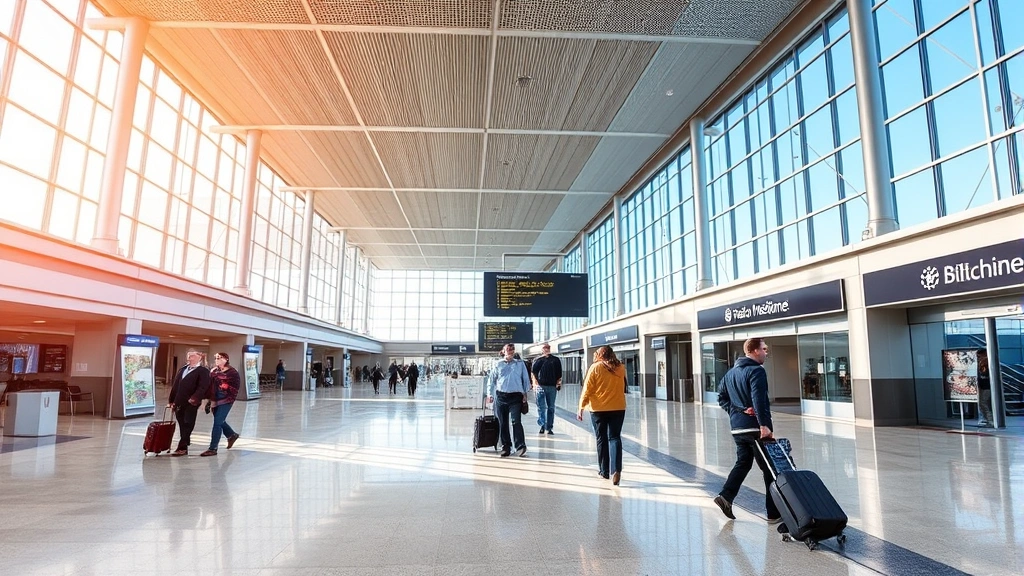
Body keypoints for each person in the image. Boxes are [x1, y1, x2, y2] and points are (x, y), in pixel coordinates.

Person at [713, 337, 781, 524]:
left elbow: (721, 399)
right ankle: (773, 513)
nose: (766, 352)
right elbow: (758, 398)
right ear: (753, 351)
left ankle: (726, 496)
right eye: (764, 349)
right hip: (755, 428)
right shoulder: (756, 371)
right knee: (770, 469)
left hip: (738, 428)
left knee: (743, 463)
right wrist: (764, 425)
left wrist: (738, 411)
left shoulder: (730, 374)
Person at [577, 346, 627, 485]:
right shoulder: (621, 367)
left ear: (599, 355)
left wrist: (581, 406)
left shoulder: (595, 367)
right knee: (615, 437)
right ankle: (616, 469)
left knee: (601, 438)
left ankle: (604, 472)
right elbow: (623, 386)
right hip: (618, 407)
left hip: (598, 409)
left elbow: (588, 388)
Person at [486, 343, 531, 458]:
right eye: (508, 349)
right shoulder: (498, 364)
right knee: (503, 423)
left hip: (516, 397)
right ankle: (506, 446)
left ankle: (520, 446)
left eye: (512, 349)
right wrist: (489, 394)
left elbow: (525, 379)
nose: (510, 351)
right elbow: (491, 380)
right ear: (503, 351)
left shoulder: (520, 364)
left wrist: (525, 394)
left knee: (516, 421)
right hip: (501, 397)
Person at [167, 349, 211, 457]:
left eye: (192, 356)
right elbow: (176, 386)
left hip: (191, 402)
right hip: (179, 401)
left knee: (188, 422)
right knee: (181, 423)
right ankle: (185, 442)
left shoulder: (203, 371)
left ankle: (182, 446)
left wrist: (195, 398)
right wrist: (172, 401)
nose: (189, 358)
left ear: (199, 357)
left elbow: (203, 387)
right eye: (188, 356)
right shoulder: (183, 369)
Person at [201, 352, 241, 456]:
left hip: (226, 400)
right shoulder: (214, 371)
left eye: (220, 358)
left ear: (226, 359)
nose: (217, 359)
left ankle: (213, 448)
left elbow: (235, 387)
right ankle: (231, 435)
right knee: (219, 420)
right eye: (216, 358)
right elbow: (209, 385)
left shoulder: (232, 372)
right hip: (215, 399)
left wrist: (225, 391)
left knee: (217, 423)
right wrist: (209, 399)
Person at [532, 343, 563, 435]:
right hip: (540, 386)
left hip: (551, 386)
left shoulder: (555, 360)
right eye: (544, 348)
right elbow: (533, 372)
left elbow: (559, 373)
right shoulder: (537, 360)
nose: (546, 349)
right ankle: (542, 425)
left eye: (548, 348)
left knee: (551, 407)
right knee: (541, 407)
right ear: (541, 350)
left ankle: (549, 427)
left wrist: (558, 384)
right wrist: (535, 384)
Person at [977, 352, 993, 428]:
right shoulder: (981, 364)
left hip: (986, 387)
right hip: (983, 386)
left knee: (983, 403)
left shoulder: (987, 364)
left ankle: (990, 420)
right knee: (982, 403)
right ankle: (988, 419)